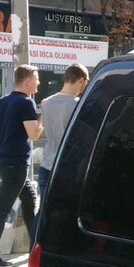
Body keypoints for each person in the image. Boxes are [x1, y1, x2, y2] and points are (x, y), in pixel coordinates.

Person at [0, 64, 42, 267]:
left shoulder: (1, 101)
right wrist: (44, 116)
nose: (39, 83)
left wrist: (3, 144)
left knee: (29, 199)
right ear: (28, 80)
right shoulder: (26, 102)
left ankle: (36, 247)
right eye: (37, 78)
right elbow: (34, 134)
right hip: (17, 165)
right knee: (1, 209)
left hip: (4, 162)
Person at [37, 63, 89, 213]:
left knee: (44, 214)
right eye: (86, 82)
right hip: (69, 169)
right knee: (66, 215)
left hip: (47, 166)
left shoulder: (46, 102)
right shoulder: (79, 105)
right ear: (81, 80)